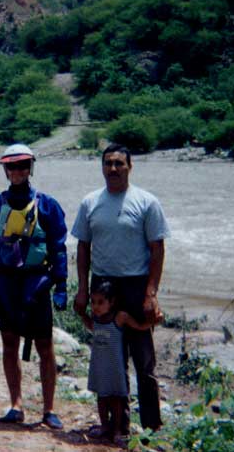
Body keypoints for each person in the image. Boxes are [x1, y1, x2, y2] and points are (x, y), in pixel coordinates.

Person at [71, 143, 170, 433]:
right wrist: (82, 290)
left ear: (130, 166)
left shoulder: (147, 202)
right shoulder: (90, 202)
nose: (113, 168)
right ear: (102, 167)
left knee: (144, 361)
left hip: (136, 285)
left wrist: (151, 293)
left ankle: (151, 427)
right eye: (108, 163)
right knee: (110, 359)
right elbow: (83, 247)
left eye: (119, 163)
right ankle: (118, 426)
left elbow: (157, 249)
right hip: (103, 288)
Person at [0, 144, 68, 430]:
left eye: (22, 165)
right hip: (4, 283)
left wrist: (61, 284)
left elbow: (58, 246)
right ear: (5, 170)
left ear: (31, 168)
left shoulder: (47, 205)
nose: (17, 171)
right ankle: (16, 404)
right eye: (12, 166)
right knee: (9, 343)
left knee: (45, 345)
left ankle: (49, 409)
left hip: (36, 284)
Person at [83, 279, 161, 446]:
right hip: (99, 366)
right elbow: (88, 324)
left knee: (117, 399)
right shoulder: (96, 319)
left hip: (115, 367)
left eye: (101, 302)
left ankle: (118, 430)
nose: (96, 306)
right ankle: (105, 426)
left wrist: (153, 321)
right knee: (102, 397)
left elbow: (139, 327)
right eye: (93, 302)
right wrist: (80, 311)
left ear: (112, 302)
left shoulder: (119, 318)